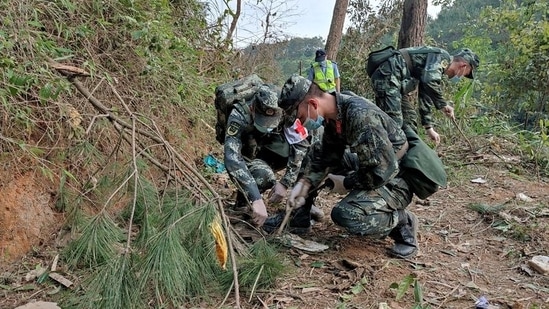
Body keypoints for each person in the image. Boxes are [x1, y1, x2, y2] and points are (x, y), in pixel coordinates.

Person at [268, 80, 424, 259]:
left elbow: (381, 172)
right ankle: (299, 218)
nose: (300, 124)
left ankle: (403, 223)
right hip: (372, 163)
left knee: (346, 214)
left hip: (397, 176)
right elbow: (328, 156)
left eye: (300, 117)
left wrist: (346, 182)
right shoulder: (335, 115)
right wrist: (305, 183)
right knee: (314, 154)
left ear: (312, 104)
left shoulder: (361, 116)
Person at [223, 84, 311, 227]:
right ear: (253, 109)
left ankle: (302, 210)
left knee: (310, 152)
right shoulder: (238, 115)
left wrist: (285, 183)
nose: (268, 126)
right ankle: (243, 202)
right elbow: (232, 158)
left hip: (266, 149)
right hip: (246, 153)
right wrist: (256, 198)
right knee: (263, 175)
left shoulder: (284, 110)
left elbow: (300, 143)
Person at [369, 47, 480, 145]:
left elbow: (425, 94)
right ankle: (383, 159)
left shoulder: (436, 69)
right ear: (463, 66)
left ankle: (410, 156)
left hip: (394, 83)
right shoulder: (442, 57)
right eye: (466, 74)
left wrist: (429, 128)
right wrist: (443, 105)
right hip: (388, 77)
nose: (462, 76)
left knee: (409, 117)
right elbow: (429, 81)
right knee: (394, 125)